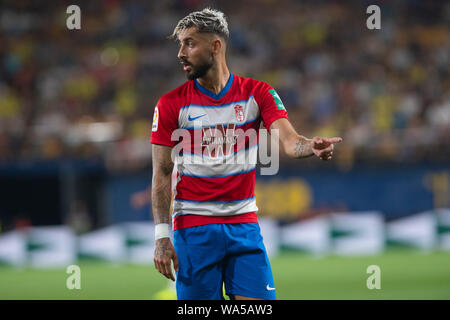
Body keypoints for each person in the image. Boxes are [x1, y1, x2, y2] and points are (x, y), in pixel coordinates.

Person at [150, 8, 342, 300]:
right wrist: (162, 237)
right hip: (194, 230)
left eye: (189, 43)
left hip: (244, 227)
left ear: (215, 46)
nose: (180, 53)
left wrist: (309, 146)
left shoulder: (258, 93)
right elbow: (162, 173)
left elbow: (291, 142)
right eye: (180, 44)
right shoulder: (170, 105)